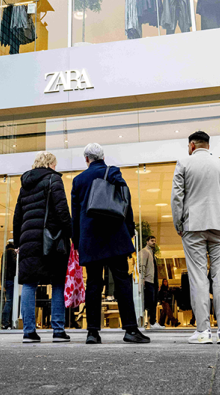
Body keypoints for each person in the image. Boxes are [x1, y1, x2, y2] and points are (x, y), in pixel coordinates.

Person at [72, 143, 150, 345]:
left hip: (90, 238)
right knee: (122, 281)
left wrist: (77, 241)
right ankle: (131, 330)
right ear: (103, 157)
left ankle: (92, 332)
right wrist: (130, 228)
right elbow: (126, 200)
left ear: (86, 159)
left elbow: (75, 215)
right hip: (114, 235)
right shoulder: (113, 172)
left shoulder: (78, 180)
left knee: (94, 284)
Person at [171, 131, 220, 345]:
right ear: (207, 145)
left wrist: (178, 224)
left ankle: (202, 331)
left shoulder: (183, 164)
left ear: (192, 145)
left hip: (193, 226)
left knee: (198, 277)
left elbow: (177, 197)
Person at [13, 151, 72, 343]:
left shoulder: (25, 185)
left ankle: (28, 332)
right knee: (57, 282)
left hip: (28, 240)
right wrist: (72, 235)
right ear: (50, 164)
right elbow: (62, 209)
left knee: (29, 283)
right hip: (51, 240)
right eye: (55, 164)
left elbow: (17, 215)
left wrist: (17, 242)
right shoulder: (53, 179)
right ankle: (58, 330)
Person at [139, 236, 162, 329]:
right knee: (149, 302)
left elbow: (154, 269)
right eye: (152, 241)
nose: (154, 242)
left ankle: (152, 321)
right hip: (148, 281)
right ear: (147, 241)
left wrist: (157, 282)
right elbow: (142, 266)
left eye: (155, 241)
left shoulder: (152, 253)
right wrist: (142, 279)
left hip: (153, 280)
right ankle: (151, 322)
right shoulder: (144, 252)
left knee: (154, 302)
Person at [0, 241, 17, 329]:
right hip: (11, 279)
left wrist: (2, 282)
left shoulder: (4, 253)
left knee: (8, 301)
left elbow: (2, 270)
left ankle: (4, 321)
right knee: (10, 301)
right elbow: (15, 264)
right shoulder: (12, 252)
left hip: (6, 280)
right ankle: (5, 322)